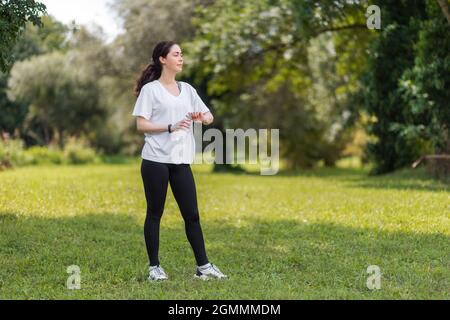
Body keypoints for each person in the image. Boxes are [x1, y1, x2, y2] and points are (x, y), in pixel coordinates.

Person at [131, 40, 227, 281]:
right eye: (176, 54)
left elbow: (208, 116)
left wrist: (201, 116)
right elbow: (141, 124)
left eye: (181, 54)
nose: (181, 58)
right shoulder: (151, 90)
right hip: (155, 160)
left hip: (181, 161)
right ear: (163, 59)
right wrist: (170, 126)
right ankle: (154, 268)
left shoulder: (188, 89)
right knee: (155, 213)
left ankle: (203, 268)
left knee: (192, 215)